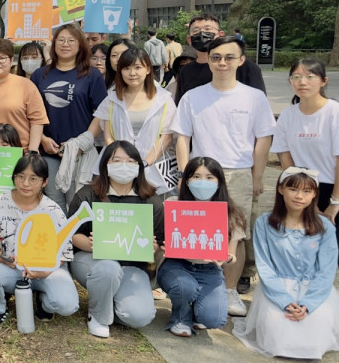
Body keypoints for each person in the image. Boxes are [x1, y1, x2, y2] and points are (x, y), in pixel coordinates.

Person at [171, 35, 274, 318]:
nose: (222, 63)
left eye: (229, 57)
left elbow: (263, 139)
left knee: (236, 234)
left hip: (239, 172)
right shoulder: (194, 96)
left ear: (241, 61)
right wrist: (184, 172)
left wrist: (257, 175)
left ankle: (229, 290)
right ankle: (197, 287)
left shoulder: (254, 97)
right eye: (216, 58)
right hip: (201, 174)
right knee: (197, 230)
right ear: (208, 60)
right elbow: (183, 137)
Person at [273, 58, 339, 353]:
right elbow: (285, 155)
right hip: (307, 189)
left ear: (323, 81)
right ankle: (307, 316)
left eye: (310, 76)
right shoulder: (288, 115)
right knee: (306, 257)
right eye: (296, 76)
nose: (302, 81)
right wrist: (295, 189)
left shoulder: (337, 113)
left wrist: (335, 204)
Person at [234, 168, 339, 360]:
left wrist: (308, 304)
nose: (299, 196)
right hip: (277, 288)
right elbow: (265, 266)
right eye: (293, 189)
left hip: (315, 290)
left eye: (307, 191)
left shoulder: (324, 226)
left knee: (316, 327)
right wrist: (284, 301)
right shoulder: (264, 223)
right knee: (277, 333)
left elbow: (326, 270)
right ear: (280, 189)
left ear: (314, 195)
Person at [67, 141, 162, 338]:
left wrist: (152, 248)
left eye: (130, 161)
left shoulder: (151, 200)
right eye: (117, 160)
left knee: (140, 317)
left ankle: (107, 303)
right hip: (92, 261)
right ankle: (98, 316)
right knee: (109, 268)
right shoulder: (87, 195)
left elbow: (160, 240)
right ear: (105, 165)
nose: (124, 165)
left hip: (131, 267)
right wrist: (86, 243)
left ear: (139, 166)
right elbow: (71, 233)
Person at [0, 153, 79, 330]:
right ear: (13, 177)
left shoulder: (52, 210)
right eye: (20, 177)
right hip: (11, 267)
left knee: (67, 304)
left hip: (48, 270)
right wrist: (1, 257)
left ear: (44, 182)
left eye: (33, 179)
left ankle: (43, 300)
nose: (25, 183)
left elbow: (64, 251)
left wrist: (44, 272)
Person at [156, 157, 245, 337]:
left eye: (209, 177)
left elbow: (232, 255)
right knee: (184, 287)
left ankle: (197, 309)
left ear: (219, 181)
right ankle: (180, 317)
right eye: (196, 176)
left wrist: (225, 257)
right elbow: (157, 238)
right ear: (187, 181)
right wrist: (164, 246)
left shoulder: (231, 213)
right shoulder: (172, 204)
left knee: (214, 319)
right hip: (177, 266)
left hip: (209, 270)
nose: (202, 182)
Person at [30, 24, 106, 208]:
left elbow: (101, 113)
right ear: (54, 44)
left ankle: (76, 237)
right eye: (61, 40)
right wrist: (42, 139)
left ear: (80, 45)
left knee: (77, 202)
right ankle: (60, 237)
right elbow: (30, 115)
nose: (65, 44)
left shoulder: (92, 75)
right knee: (52, 202)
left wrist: (82, 144)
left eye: (71, 40)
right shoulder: (40, 75)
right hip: (48, 151)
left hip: (80, 152)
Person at [89, 47, 177, 194]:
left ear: (148, 69)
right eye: (126, 68)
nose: (132, 73)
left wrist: (143, 163)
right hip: (116, 169)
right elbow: (108, 137)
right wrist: (121, 163)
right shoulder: (111, 99)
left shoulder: (164, 99)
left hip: (154, 168)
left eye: (138, 67)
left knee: (153, 213)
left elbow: (167, 137)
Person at [174, 14, 267, 102]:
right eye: (195, 31)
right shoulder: (186, 71)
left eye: (208, 29)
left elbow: (259, 103)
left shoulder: (242, 65)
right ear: (189, 39)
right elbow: (181, 105)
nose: (202, 34)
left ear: (221, 34)